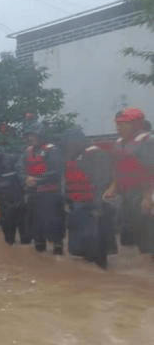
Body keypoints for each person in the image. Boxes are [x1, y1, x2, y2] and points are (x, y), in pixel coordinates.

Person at [63, 127, 116, 268]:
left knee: (97, 247)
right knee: (82, 249)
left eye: (71, 142)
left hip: (93, 206)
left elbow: (101, 181)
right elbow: (67, 182)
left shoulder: (96, 154)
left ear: (80, 141)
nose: (69, 145)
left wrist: (98, 207)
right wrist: (67, 201)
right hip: (77, 206)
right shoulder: (73, 157)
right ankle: (90, 278)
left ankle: (103, 274)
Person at [103, 107, 154, 254]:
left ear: (137, 125)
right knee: (132, 233)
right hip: (128, 194)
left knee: (148, 234)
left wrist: (147, 198)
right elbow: (118, 169)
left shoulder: (147, 142)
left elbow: (151, 172)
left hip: (145, 193)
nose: (118, 127)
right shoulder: (119, 143)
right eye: (118, 124)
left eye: (123, 124)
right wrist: (113, 188)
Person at [18, 122, 65, 255]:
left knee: (55, 228)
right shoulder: (27, 152)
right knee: (36, 229)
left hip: (51, 195)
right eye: (30, 136)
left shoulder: (52, 150)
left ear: (42, 135)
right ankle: (40, 255)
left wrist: (37, 181)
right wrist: (25, 179)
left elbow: (56, 172)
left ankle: (58, 252)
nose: (31, 138)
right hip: (34, 196)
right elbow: (19, 168)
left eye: (34, 135)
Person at [0, 146, 27, 244]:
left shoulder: (12, 160)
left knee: (25, 234)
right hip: (3, 202)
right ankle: (10, 246)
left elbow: (21, 175)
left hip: (19, 199)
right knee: (8, 236)